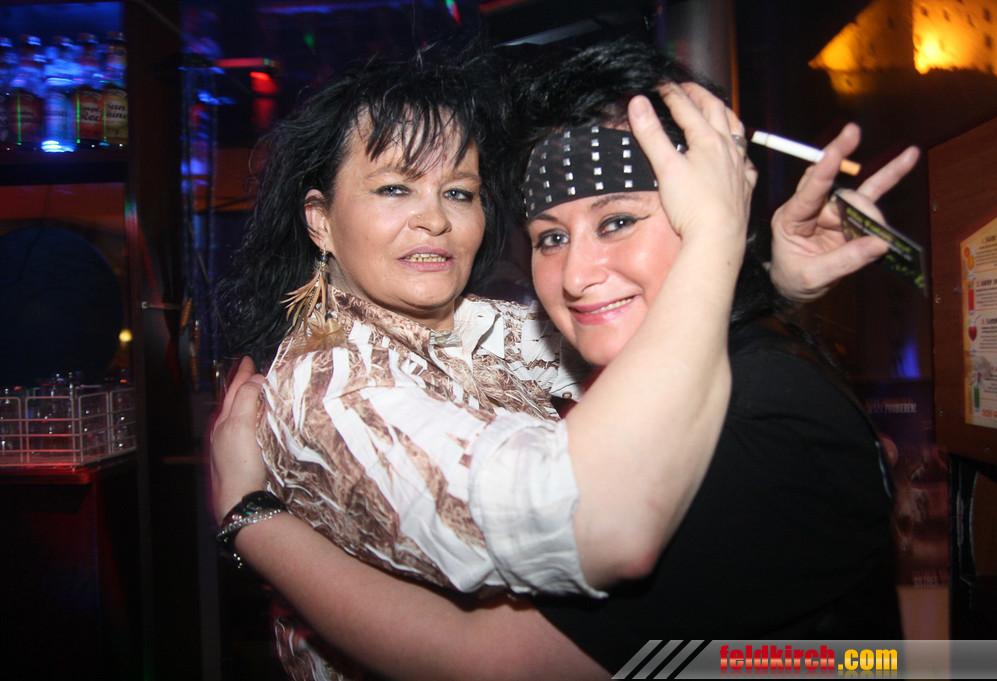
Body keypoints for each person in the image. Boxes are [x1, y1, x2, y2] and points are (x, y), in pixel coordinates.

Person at [210, 40, 918, 680]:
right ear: (320, 219)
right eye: (550, 237)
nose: (576, 276)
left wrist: (251, 519)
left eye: (618, 222)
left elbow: (501, 652)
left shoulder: (758, 415)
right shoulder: (342, 382)